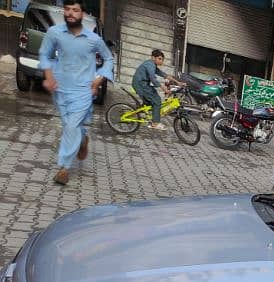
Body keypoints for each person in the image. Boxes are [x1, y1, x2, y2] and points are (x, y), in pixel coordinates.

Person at [39, 1, 114, 185]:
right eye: (67, 9)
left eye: (75, 10)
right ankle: (82, 140)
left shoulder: (93, 39)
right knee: (69, 127)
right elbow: (44, 54)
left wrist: (99, 79)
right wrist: (48, 76)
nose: (70, 13)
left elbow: (109, 58)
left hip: (83, 91)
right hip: (60, 89)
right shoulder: (55, 32)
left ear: (83, 14)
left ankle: (64, 168)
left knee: (71, 127)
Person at [132, 49, 183, 131]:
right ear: (153, 57)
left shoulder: (153, 65)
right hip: (141, 85)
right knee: (157, 100)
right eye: (159, 59)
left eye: (162, 59)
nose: (161, 61)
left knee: (151, 102)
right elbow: (153, 78)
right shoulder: (150, 64)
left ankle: (145, 114)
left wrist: (178, 82)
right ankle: (155, 123)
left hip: (143, 84)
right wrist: (164, 88)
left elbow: (163, 74)